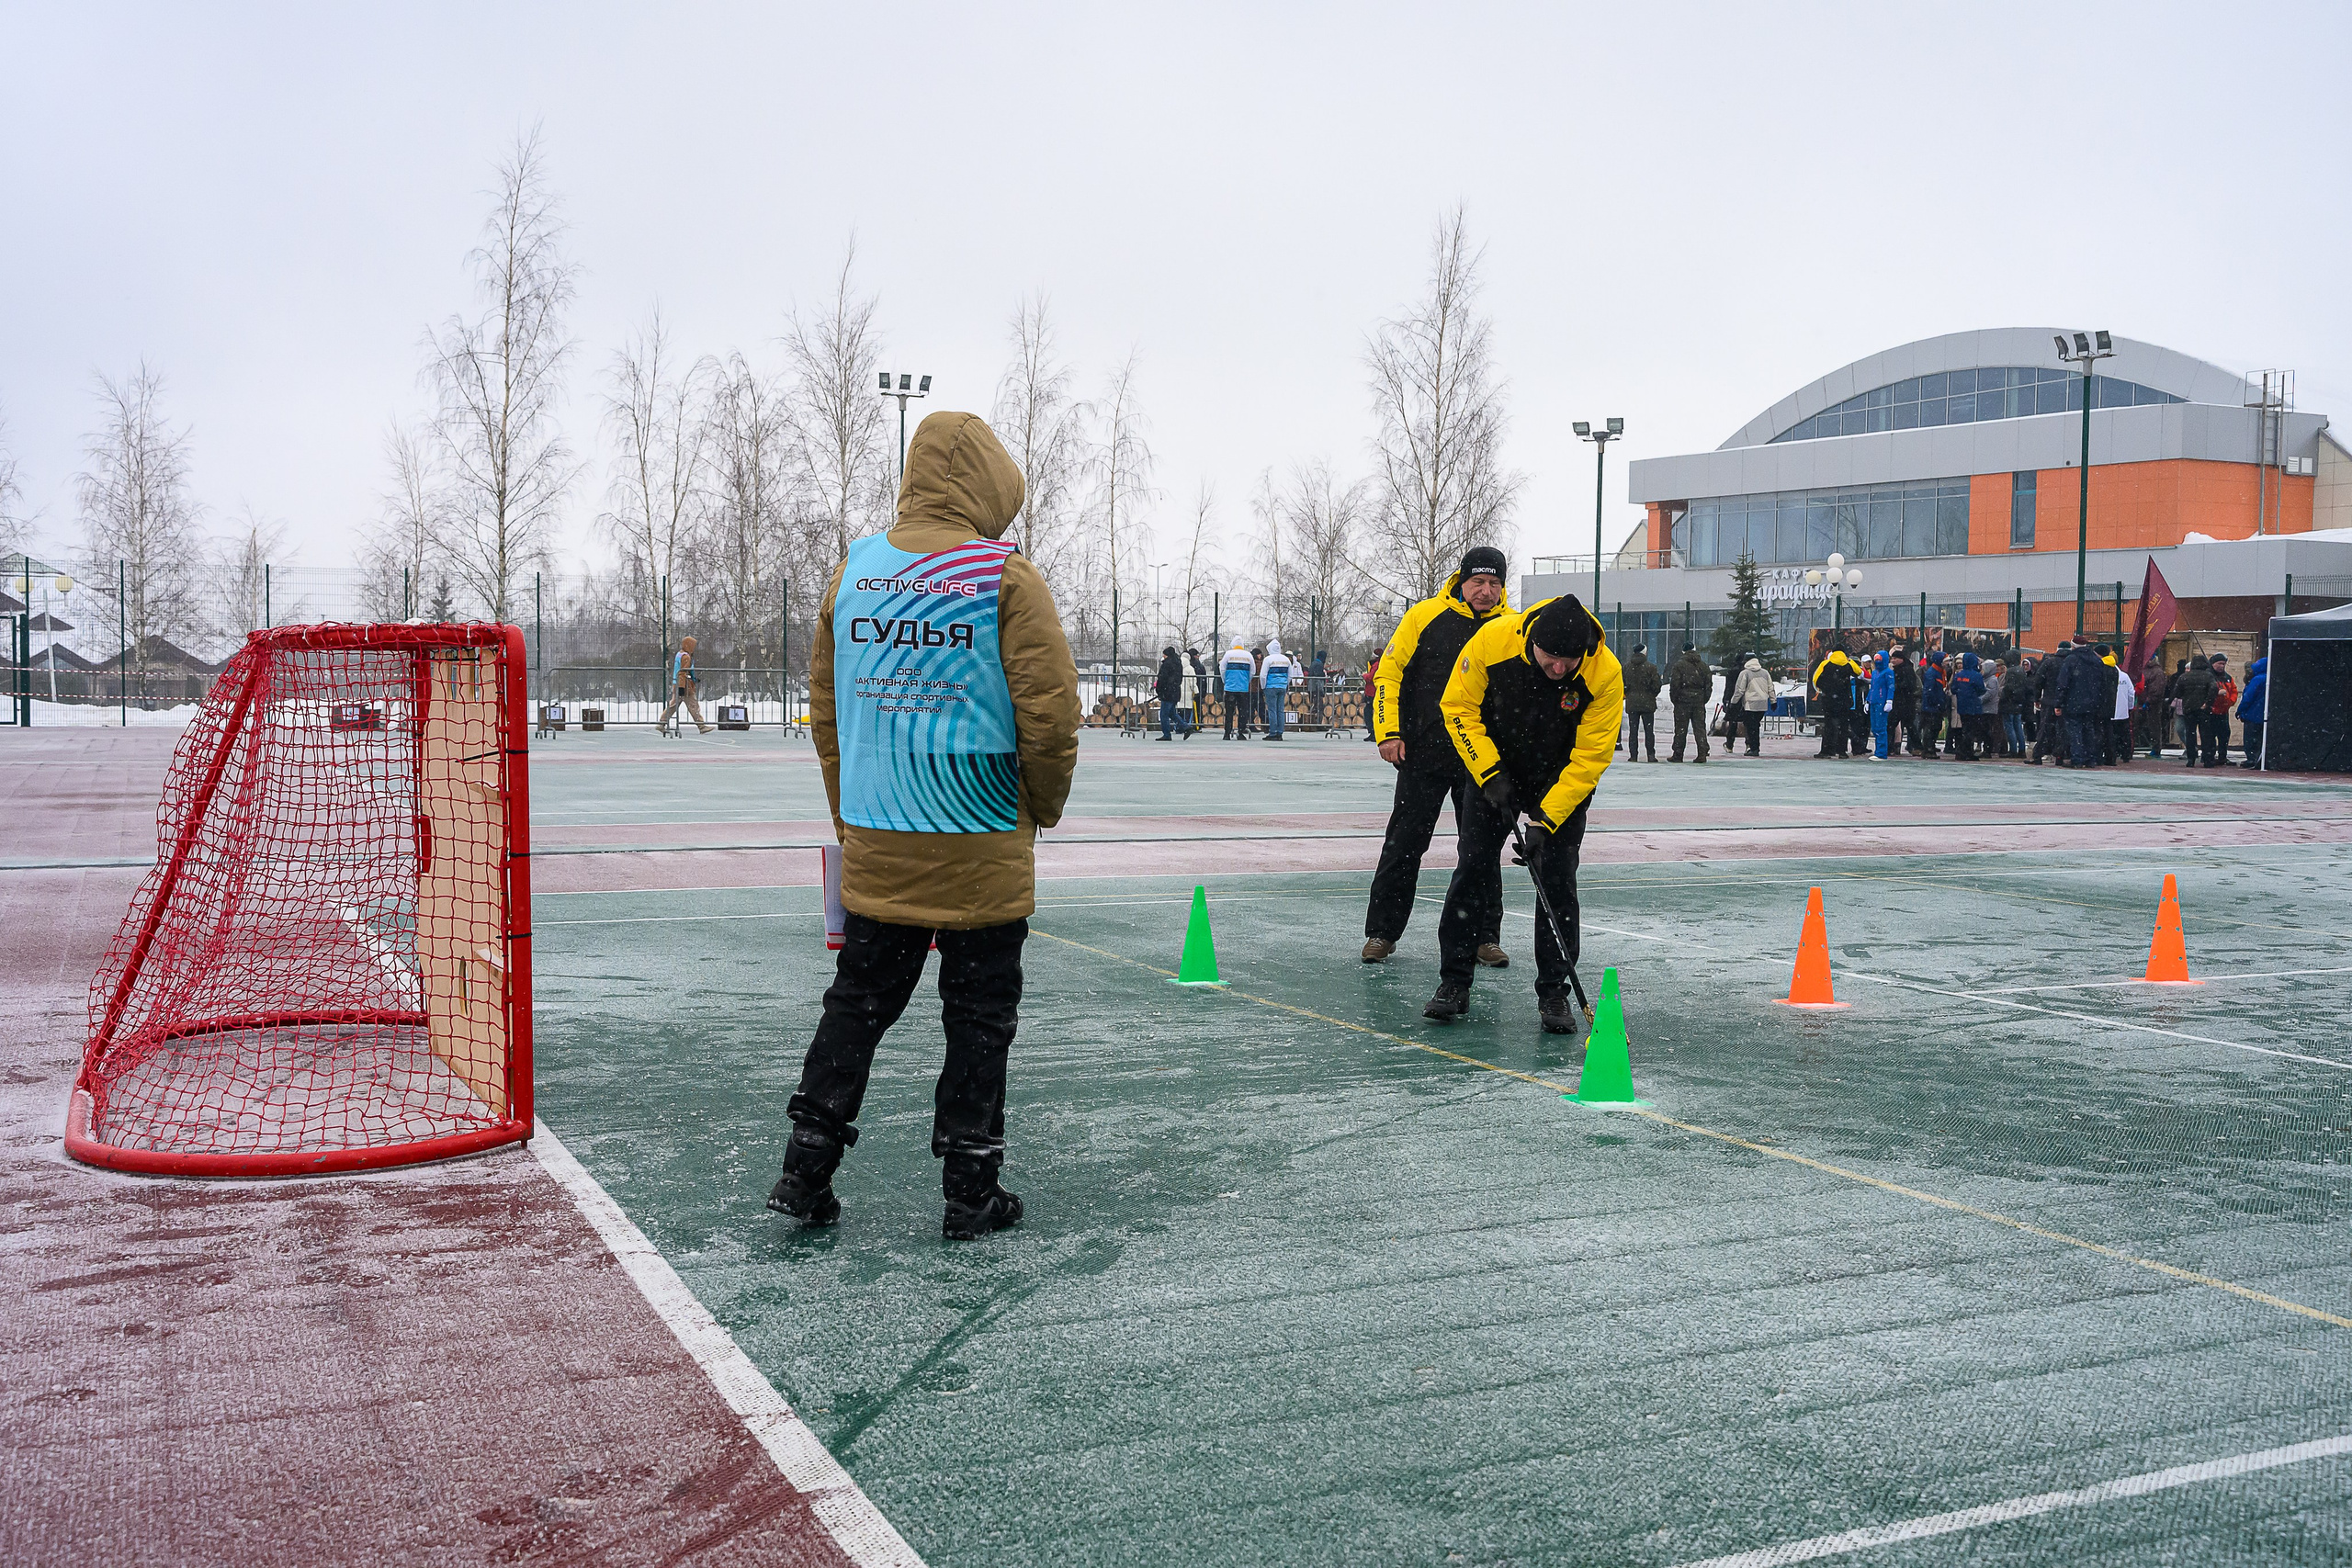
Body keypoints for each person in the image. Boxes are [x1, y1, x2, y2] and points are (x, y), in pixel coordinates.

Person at [766, 411, 1080, 1240]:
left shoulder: (855, 571)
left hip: (880, 833)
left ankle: (806, 1164)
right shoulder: (1006, 578)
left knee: (857, 1004)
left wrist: (853, 815)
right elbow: (1049, 719)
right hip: (979, 839)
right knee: (979, 1017)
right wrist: (1040, 807)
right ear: (989, 485)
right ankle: (970, 1187)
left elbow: (827, 718)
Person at [1426, 594, 1623, 1034]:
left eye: (1569, 661)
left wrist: (1545, 820)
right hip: (1494, 771)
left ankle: (1554, 993)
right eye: (1551, 658)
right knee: (1473, 870)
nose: (1560, 669)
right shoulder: (1491, 642)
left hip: (1561, 778)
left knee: (1556, 881)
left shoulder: (1604, 671)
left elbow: (1591, 756)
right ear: (1531, 640)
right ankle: (1453, 984)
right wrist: (1489, 772)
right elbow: (1457, 708)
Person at [1363, 547, 1513, 968]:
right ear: (1460, 581)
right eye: (1478, 582)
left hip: (1481, 761)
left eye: (1494, 584)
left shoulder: (1512, 627)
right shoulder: (1423, 616)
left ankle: (1485, 938)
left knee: (1481, 850)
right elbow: (1387, 676)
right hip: (1422, 755)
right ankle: (1381, 933)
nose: (1485, 591)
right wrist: (1388, 733)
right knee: (1404, 845)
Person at [2056, 638, 2108, 768]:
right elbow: (2102, 683)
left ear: (2073, 646)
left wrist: (2059, 702)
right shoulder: (2096, 661)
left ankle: (2077, 759)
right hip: (2091, 702)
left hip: (2073, 702)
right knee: (2088, 729)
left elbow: (2063, 683)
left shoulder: (2071, 660)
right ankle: (2090, 759)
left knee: (2075, 731)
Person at [657, 635, 715, 736]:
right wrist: (682, 687)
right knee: (693, 706)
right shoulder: (686, 657)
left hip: (677, 683)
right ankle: (701, 726)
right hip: (685, 685)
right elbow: (683, 672)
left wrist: (693, 678)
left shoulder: (679, 654)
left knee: (673, 705)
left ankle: (662, 723)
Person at [1810, 642, 1859, 758]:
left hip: (1829, 700)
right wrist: (1850, 661)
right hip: (1844, 700)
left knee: (1829, 726)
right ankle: (1842, 751)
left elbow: (1815, 679)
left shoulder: (1826, 664)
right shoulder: (1848, 664)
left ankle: (1827, 751)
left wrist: (1824, 689)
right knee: (1844, 726)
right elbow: (1859, 672)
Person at [2030, 641, 2073, 765]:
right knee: (2063, 730)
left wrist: (2037, 698)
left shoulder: (2049, 662)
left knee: (2045, 728)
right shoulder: (2072, 663)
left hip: (2049, 701)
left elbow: (2038, 681)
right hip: (2067, 702)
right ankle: (2059, 756)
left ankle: (2038, 755)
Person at [1668, 643, 1712, 762]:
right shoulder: (1703, 665)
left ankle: (1678, 754)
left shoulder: (1679, 665)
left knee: (1681, 728)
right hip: (1698, 701)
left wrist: (1675, 699)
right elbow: (1708, 685)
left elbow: (1675, 684)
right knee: (1699, 728)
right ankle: (1702, 753)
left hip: (1683, 701)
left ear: (1683, 651)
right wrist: (1703, 699)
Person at [1620, 644, 1663, 761]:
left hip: (1632, 703)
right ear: (1644, 652)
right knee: (1649, 731)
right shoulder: (1651, 667)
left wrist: (1629, 694)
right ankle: (1651, 755)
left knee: (1633, 731)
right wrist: (1651, 695)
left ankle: (1633, 755)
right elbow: (1657, 685)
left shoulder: (1626, 667)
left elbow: (1622, 684)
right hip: (1647, 703)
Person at [1728, 654, 1773, 756]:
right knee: (1756, 725)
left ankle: (1754, 748)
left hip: (1750, 704)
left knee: (1750, 727)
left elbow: (1739, 690)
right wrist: (1773, 700)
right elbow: (1770, 688)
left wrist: (1733, 702)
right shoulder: (1765, 673)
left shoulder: (1745, 673)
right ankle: (1755, 747)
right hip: (1762, 704)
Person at [1951, 651, 1985, 761]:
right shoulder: (1976, 675)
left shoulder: (1959, 675)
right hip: (1974, 706)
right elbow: (1982, 690)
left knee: (1964, 729)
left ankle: (1962, 751)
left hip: (1962, 706)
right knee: (1971, 730)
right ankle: (1965, 752)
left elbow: (1953, 689)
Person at [1261, 637, 1296, 739]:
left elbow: (1263, 675)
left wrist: (1264, 687)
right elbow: (1290, 675)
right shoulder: (1286, 659)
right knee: (1280, 710)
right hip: (1282, 687)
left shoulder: (1268, 659)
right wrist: (1285, 684)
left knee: (1272, 710)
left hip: (1271, 687)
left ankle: (1273, 732)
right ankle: (1280, 732)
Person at [1998, 652, 2032, 758]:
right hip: (2019, 702)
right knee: (2018, 726)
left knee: (2009, 726)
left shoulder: (2011, 671)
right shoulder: (2021, 670)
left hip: (2009, 703)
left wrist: (2003, 695)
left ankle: (2013, 749)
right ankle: (2021, 749)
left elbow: (2008, 688)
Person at [1220, 639, 1255, 739]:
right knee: (1243, 711)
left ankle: (1227, 733)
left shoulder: (1228, 654)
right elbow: (1253, 671)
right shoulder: (1248, 656)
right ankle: (1241, 732)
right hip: (1243, 689)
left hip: (1230, 688)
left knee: (1229, 712)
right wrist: (1246, 681)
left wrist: (1225, 681)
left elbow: (1222, 669)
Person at [2238, 653, 2267, 768]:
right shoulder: (2269, 678)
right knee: (2260, 738)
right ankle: (2259, 758)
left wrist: (2240, 710)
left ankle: (2251, 758)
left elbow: (2248, 697)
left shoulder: (2257, 680)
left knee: (2250, 738)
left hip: (2252, 714)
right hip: (2263, 715)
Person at [1891, 647, 1921, 755]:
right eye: (1892, 658)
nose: (1893, 660)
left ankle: (1915, 747)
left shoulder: (1906, 670)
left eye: (1895, 658)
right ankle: (1916, 747)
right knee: (1908, 726)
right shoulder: (1901, 669)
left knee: (1904, 725)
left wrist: (1895, 686)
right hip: (1903, 703)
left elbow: (1909, 685)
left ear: (1901, 659)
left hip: (1904, 703)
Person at [2208, 655, 2238, 765]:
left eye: (2223, 664)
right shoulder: (2208, 676)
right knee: (2210, 736)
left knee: (2224, 735)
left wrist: (2230, 702)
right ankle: (2210, 756)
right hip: (2211, 712)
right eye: (2219, 664)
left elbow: (2234, 691)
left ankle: (2222, 756)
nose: (2222, 666)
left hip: (2223, 711)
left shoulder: (2228, 678)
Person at [2108, 649, 2135, 763]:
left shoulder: (2106, 675)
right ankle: (2126, 754)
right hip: (2123, 712)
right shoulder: (2124, 676)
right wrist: (2129, 707)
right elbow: (2131, 693)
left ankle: (2112, 755)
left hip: (2110, 711)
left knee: (2111, 735)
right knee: (2124, 735)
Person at [1866, 650, 1894, 760]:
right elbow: (1872, 688)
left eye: (1879, 660)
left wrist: (1889, 700)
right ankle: (1879, 751)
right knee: (1875, 727)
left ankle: (1881, 753)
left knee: (1881, 727)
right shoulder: (1875, 673)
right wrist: (1868, 701)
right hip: (1874, 701)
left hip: (1881, 702)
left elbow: (1891, 687)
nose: (1877, 662)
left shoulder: (1888, 672)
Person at [1154, 645, 1185, 740]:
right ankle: (1185, 726)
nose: (1163, 657)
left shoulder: (1167, 664)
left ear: (1167, 655)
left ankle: (1167, 734)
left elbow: (1162, 679)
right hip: (1175, 691)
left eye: (1164, 655)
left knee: (1164, 714)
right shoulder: (1178, 663)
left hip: (1167, 692)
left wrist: (1159, 690)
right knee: (1171, 713)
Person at [1187, 647, 1210, 730]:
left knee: (1190, 707)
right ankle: (1198, 724)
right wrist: (1203, 691)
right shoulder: (1199, 665)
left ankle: (1192, 724)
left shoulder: (1191, 665)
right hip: (1198, 689)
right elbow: (1204, 679)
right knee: (1197, 707)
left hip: (1193, 689)